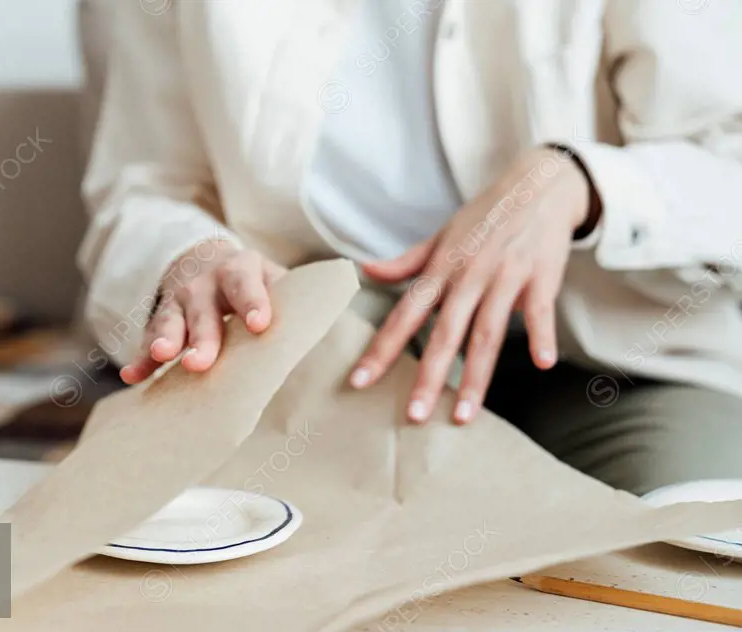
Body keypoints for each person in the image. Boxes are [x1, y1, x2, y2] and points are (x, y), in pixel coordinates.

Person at [77, 0, 742, 494]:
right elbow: (143, 187)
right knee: (215, 552)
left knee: (678, 568)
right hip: (329, 344)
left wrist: (584, 182)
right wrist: (187, 255)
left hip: (627, 355)